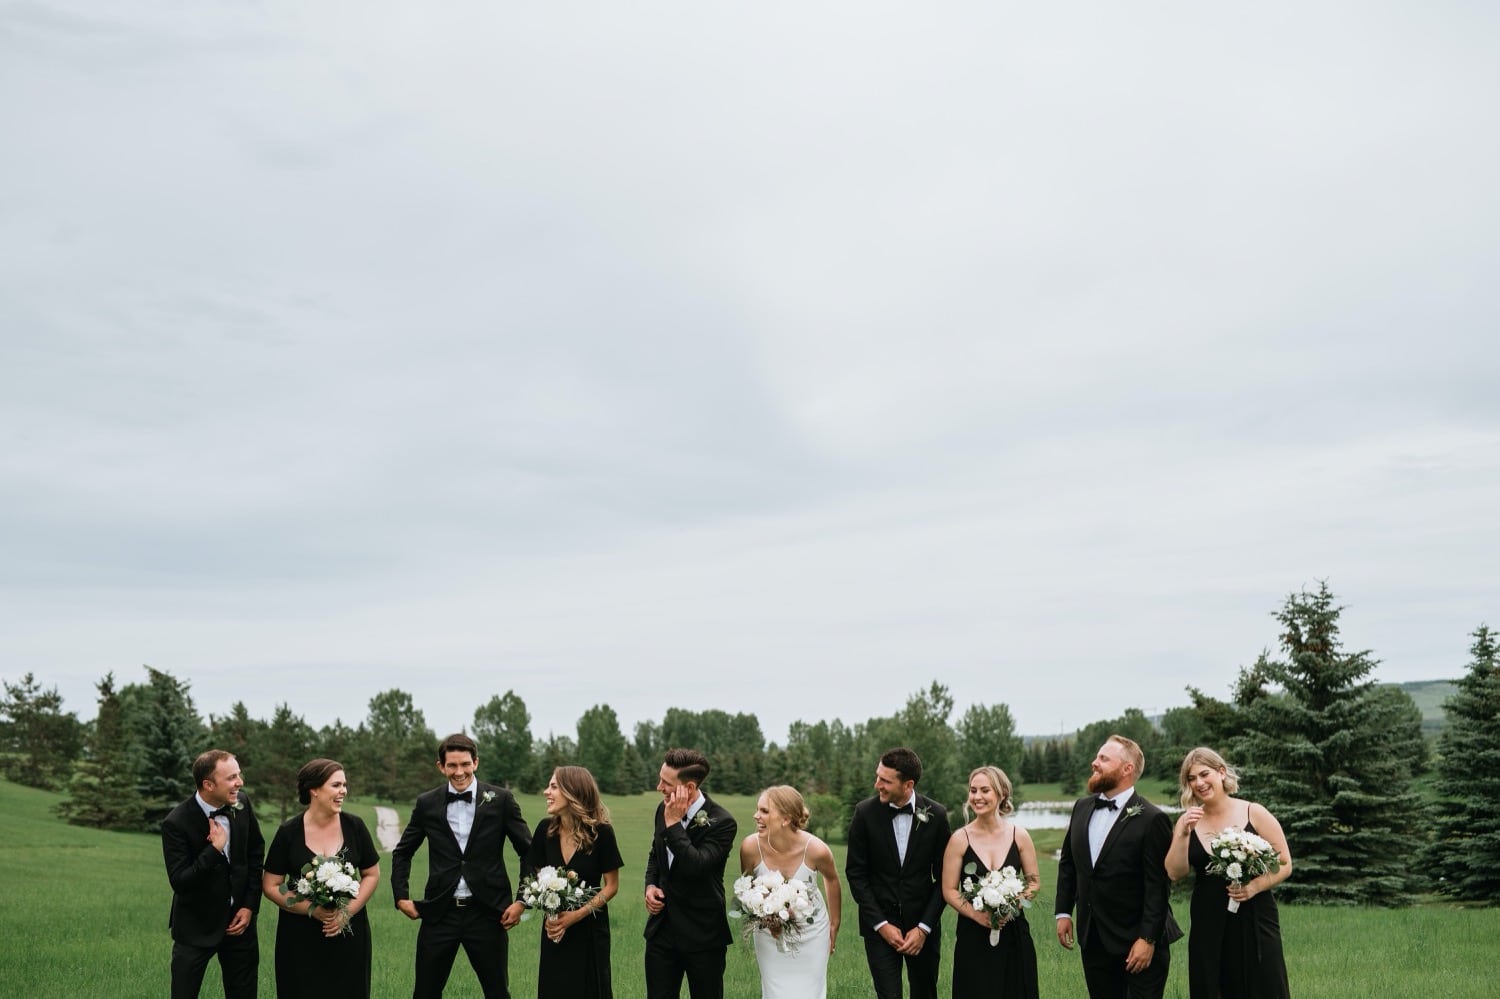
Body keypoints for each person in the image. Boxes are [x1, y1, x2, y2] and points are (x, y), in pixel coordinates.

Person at [391, 732, 533, 999]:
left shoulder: (501, 799)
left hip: (489, 913)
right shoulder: (426, 803)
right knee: (424, 992)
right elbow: (402, 853)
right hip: (439, 913)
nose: (459, 772)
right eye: (452, 765)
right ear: (441, 766)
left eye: (465, 764)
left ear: (475, 763)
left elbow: (529, 853)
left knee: (497, 992)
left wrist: (522, 901)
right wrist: (401, 897)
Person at [1055, 734, 1182, 999]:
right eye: (1096, 756)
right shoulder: (1081, 807)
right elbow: (1069, 864)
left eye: (1103, 758)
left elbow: (1157, 886)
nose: (1094, 763)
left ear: (1127, 769)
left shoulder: (1152, 818)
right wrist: (1063, 913)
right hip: (1093, 937)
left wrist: (1147, 940)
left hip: (1137, 942)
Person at [1164, 747, 1292, 998]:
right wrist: (1182, 833)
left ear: (1221, 772)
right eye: (1191, 778)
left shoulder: (1252, 812)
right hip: (1208, 919)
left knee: (1262, 986)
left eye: (1204, 774)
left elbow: (1285, 863)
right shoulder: (1187, 821)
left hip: (1254, 918)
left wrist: (1254, 887)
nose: (1199, 783)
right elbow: (1174, 872)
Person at [261, 758, 380, 996]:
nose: (343, 791)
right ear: (314, 790)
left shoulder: (355, 826)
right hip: (299, 937)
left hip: (348, 933)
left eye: (344, 785)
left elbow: (372, 874)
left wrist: (347, 912)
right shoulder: (288, 832)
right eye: (336, 785)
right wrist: (311, 909)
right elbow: (271, 885)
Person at [845, 747, 952, 999]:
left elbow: (945, 878)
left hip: (922, 926)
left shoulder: (936, 815)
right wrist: (881, 925)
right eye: (877, 776)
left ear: (908, 784)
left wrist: (924, 927)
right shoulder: (864, 814)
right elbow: (856, 874)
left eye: (885, 780)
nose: (877, 784)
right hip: (879, 926)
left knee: (925, 993)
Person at [161, 749, 265, 999]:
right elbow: (181, 882)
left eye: (238, 775)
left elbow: (255, 854)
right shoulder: (176, 823)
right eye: (231, 778)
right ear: (208, 784)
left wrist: (249, 906)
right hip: (196, 926)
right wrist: (214, 850)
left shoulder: (242, 803)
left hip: (240, 924)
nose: (239, 782)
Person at [643, 747, 739, 999]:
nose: (659, 787)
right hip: (661, 930)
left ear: (690, 787)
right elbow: (656, 855)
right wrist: (650, 885)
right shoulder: (661, 809)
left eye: (666, 782)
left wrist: (674, 824)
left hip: (703, 934)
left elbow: (696, 866)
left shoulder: (722, 822)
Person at [524, 765, 623, 999]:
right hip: (555, 930)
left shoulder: (602, 834)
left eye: (553, 786)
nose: (546, 792)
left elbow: (611, 886)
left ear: (573, 791)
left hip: (590, 931)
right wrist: (553, 917)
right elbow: (539, 881)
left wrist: (577, 915)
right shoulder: (544, 830)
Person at [941, 766, 1039, 998]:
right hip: (972, 937)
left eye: (985, 790)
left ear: (1002, 793)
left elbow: (1033, 882)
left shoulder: (1020, 835)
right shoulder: (959, 839)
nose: (977, 797)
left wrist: (1010, 906)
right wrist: (978, 916)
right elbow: (948, 889)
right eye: (973, 790)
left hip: (1013, 933)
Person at [737, 785, 842, 998]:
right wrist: (767, 917)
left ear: (785, 818)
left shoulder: (816, 849)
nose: (756, 816)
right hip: (769, 935)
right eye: (758, 809)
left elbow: (832, 879)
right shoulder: (749, 847)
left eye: (764, 811)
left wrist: (834, 924)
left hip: (812, 933)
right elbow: (747, 890)